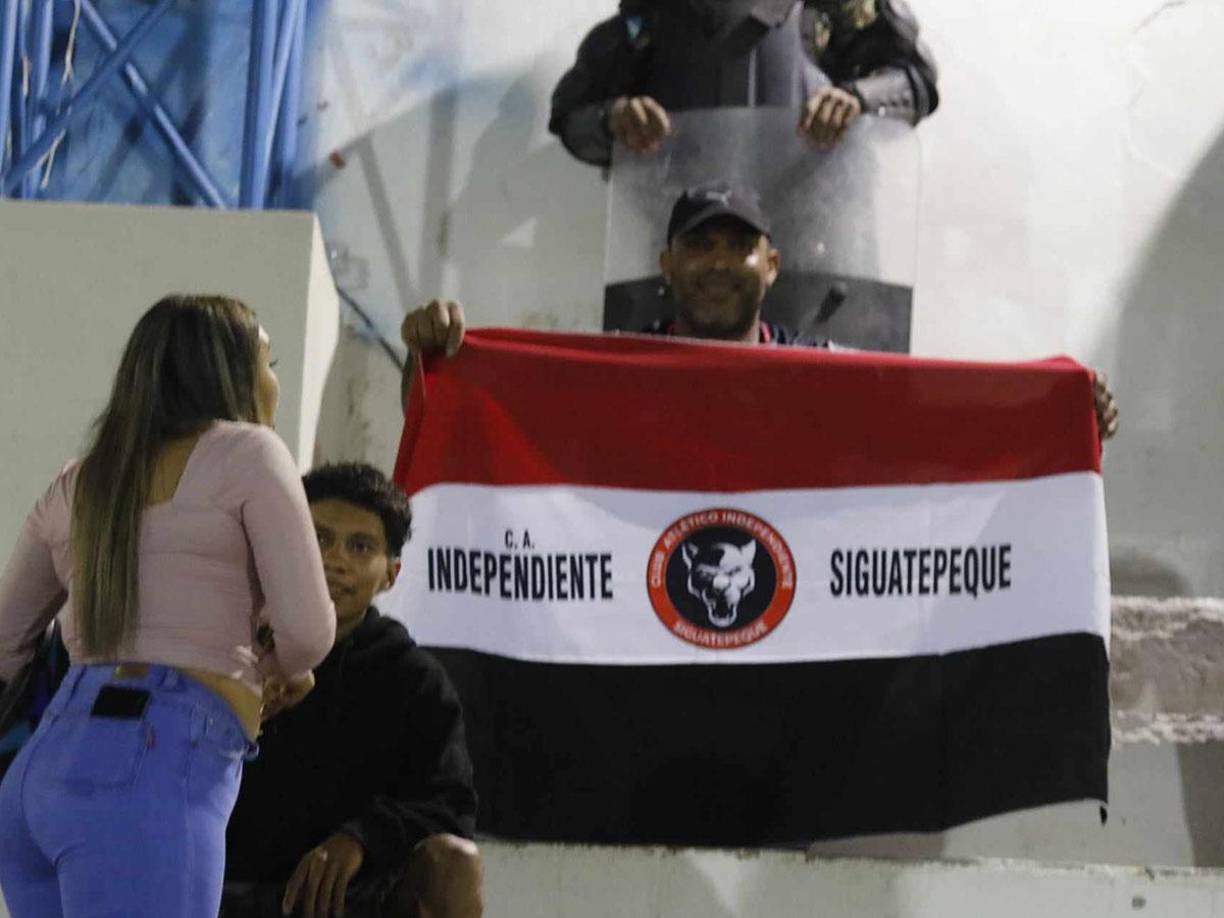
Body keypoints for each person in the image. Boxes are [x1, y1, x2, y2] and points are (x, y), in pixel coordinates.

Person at [0, 295, 336, 918]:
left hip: (39, 777)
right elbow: (309, 632)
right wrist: (276, 669)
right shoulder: (248, 453)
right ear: (230, 374)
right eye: (269, 361)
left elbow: (5, 643)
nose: (274, 380)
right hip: (148, 772)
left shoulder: (79, 481)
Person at [399, 181, 1120, 440]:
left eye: (739, 246)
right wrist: (430, 357)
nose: (718, 262)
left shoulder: (823, 374)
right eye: (699, 243)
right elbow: (458, 414)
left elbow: (937, 416)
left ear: (770, 267)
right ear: (666, 264)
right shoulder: (610, 372)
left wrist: (1053, 414)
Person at [221, 462, 482, 918]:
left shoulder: (412, 679)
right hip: (213, 886)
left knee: (455, 864)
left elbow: (451, 808)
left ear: (391, 574)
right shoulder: (225, 646)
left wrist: (363, 837)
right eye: (318, 538)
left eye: (360, 547)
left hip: (342, 903)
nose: (333, 560)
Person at [549, 0, 939, 166]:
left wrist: (857, 101)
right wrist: (613, 120)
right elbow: (572, 117)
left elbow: (916, 80)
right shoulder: (650, 15)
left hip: (815, 239)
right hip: (679, 255)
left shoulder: (834, 7)